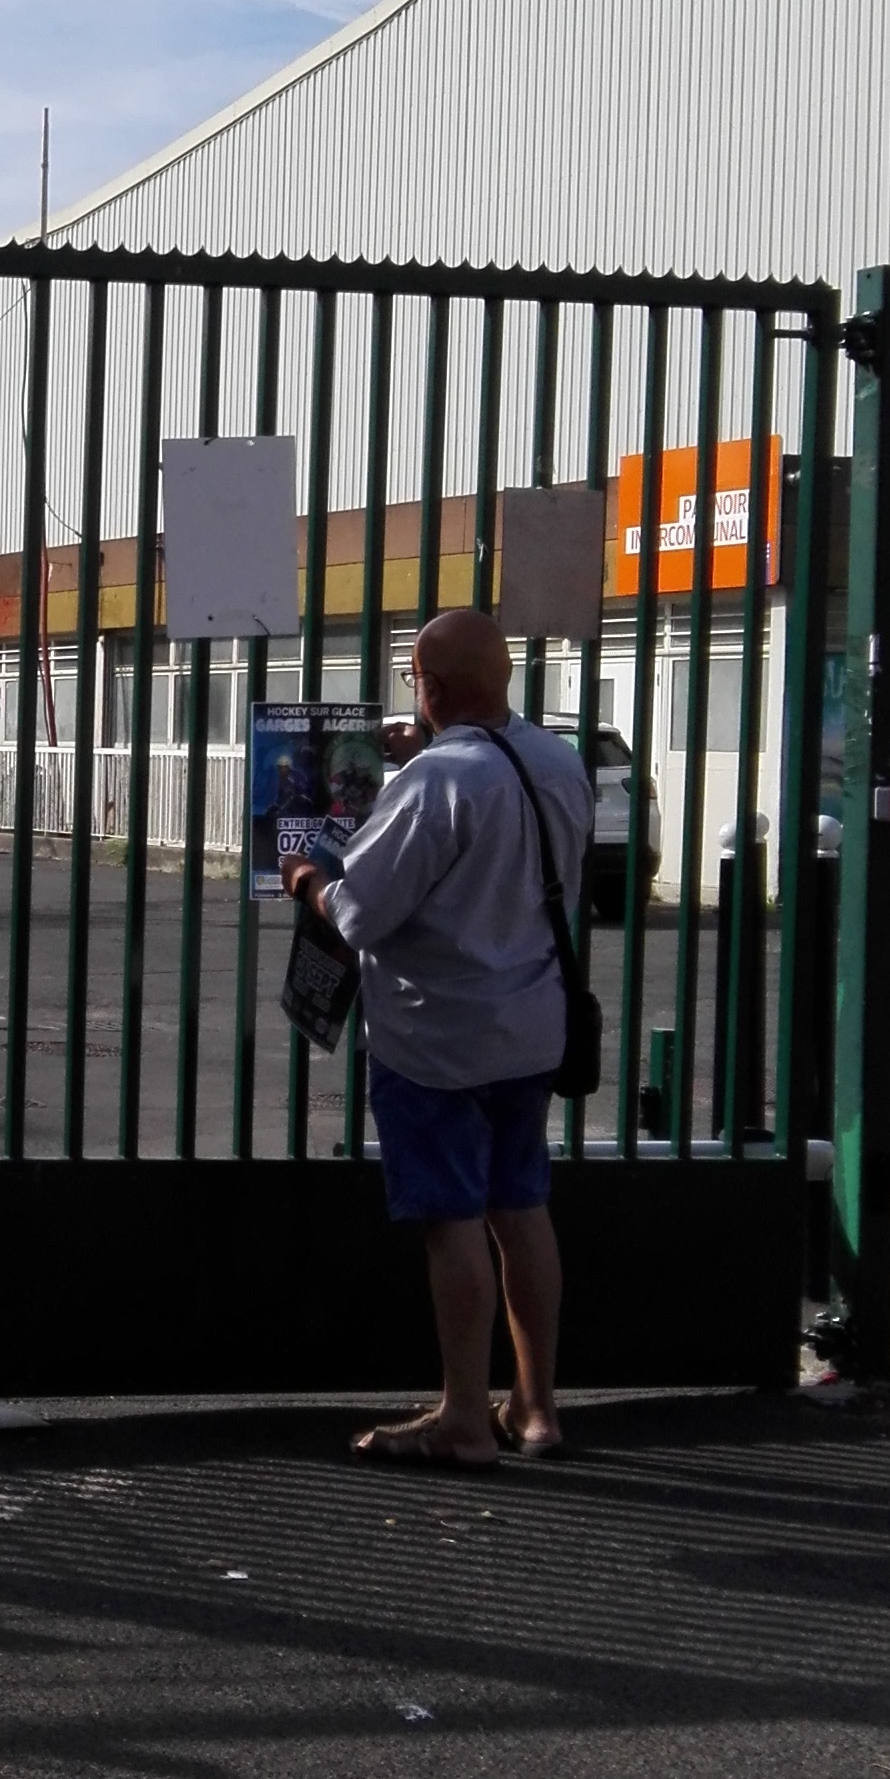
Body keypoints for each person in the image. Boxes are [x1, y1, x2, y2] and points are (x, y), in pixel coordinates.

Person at [283, 610, 592, 1467]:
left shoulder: (434, 783)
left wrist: (306, 878)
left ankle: (463, 1416)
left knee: (452, 1222)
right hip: (531, 1026)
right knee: (520, 1210)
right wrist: (422, 754)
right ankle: (536, 1408)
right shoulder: (557, 762)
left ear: (431, 684)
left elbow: (358, 913)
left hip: (436, 1039)